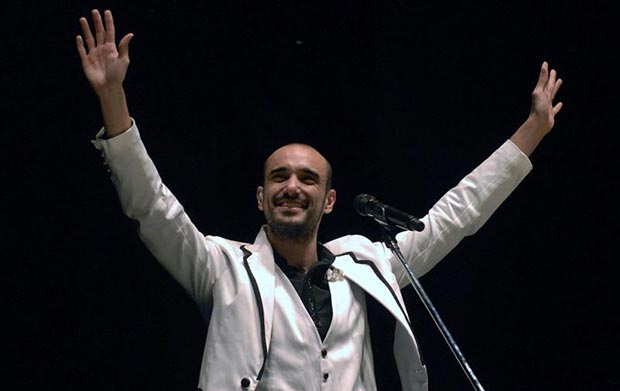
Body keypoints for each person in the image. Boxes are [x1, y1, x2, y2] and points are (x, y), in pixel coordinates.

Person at [77, 9, 563, 391]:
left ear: (329, 201)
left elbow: (457, 215)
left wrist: (532, 132)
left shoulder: (367, 262)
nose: (292, 186)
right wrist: (113, 100)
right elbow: (152, 206)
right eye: (279, 177)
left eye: (307, 179)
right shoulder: (222, 267)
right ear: (261, 197)